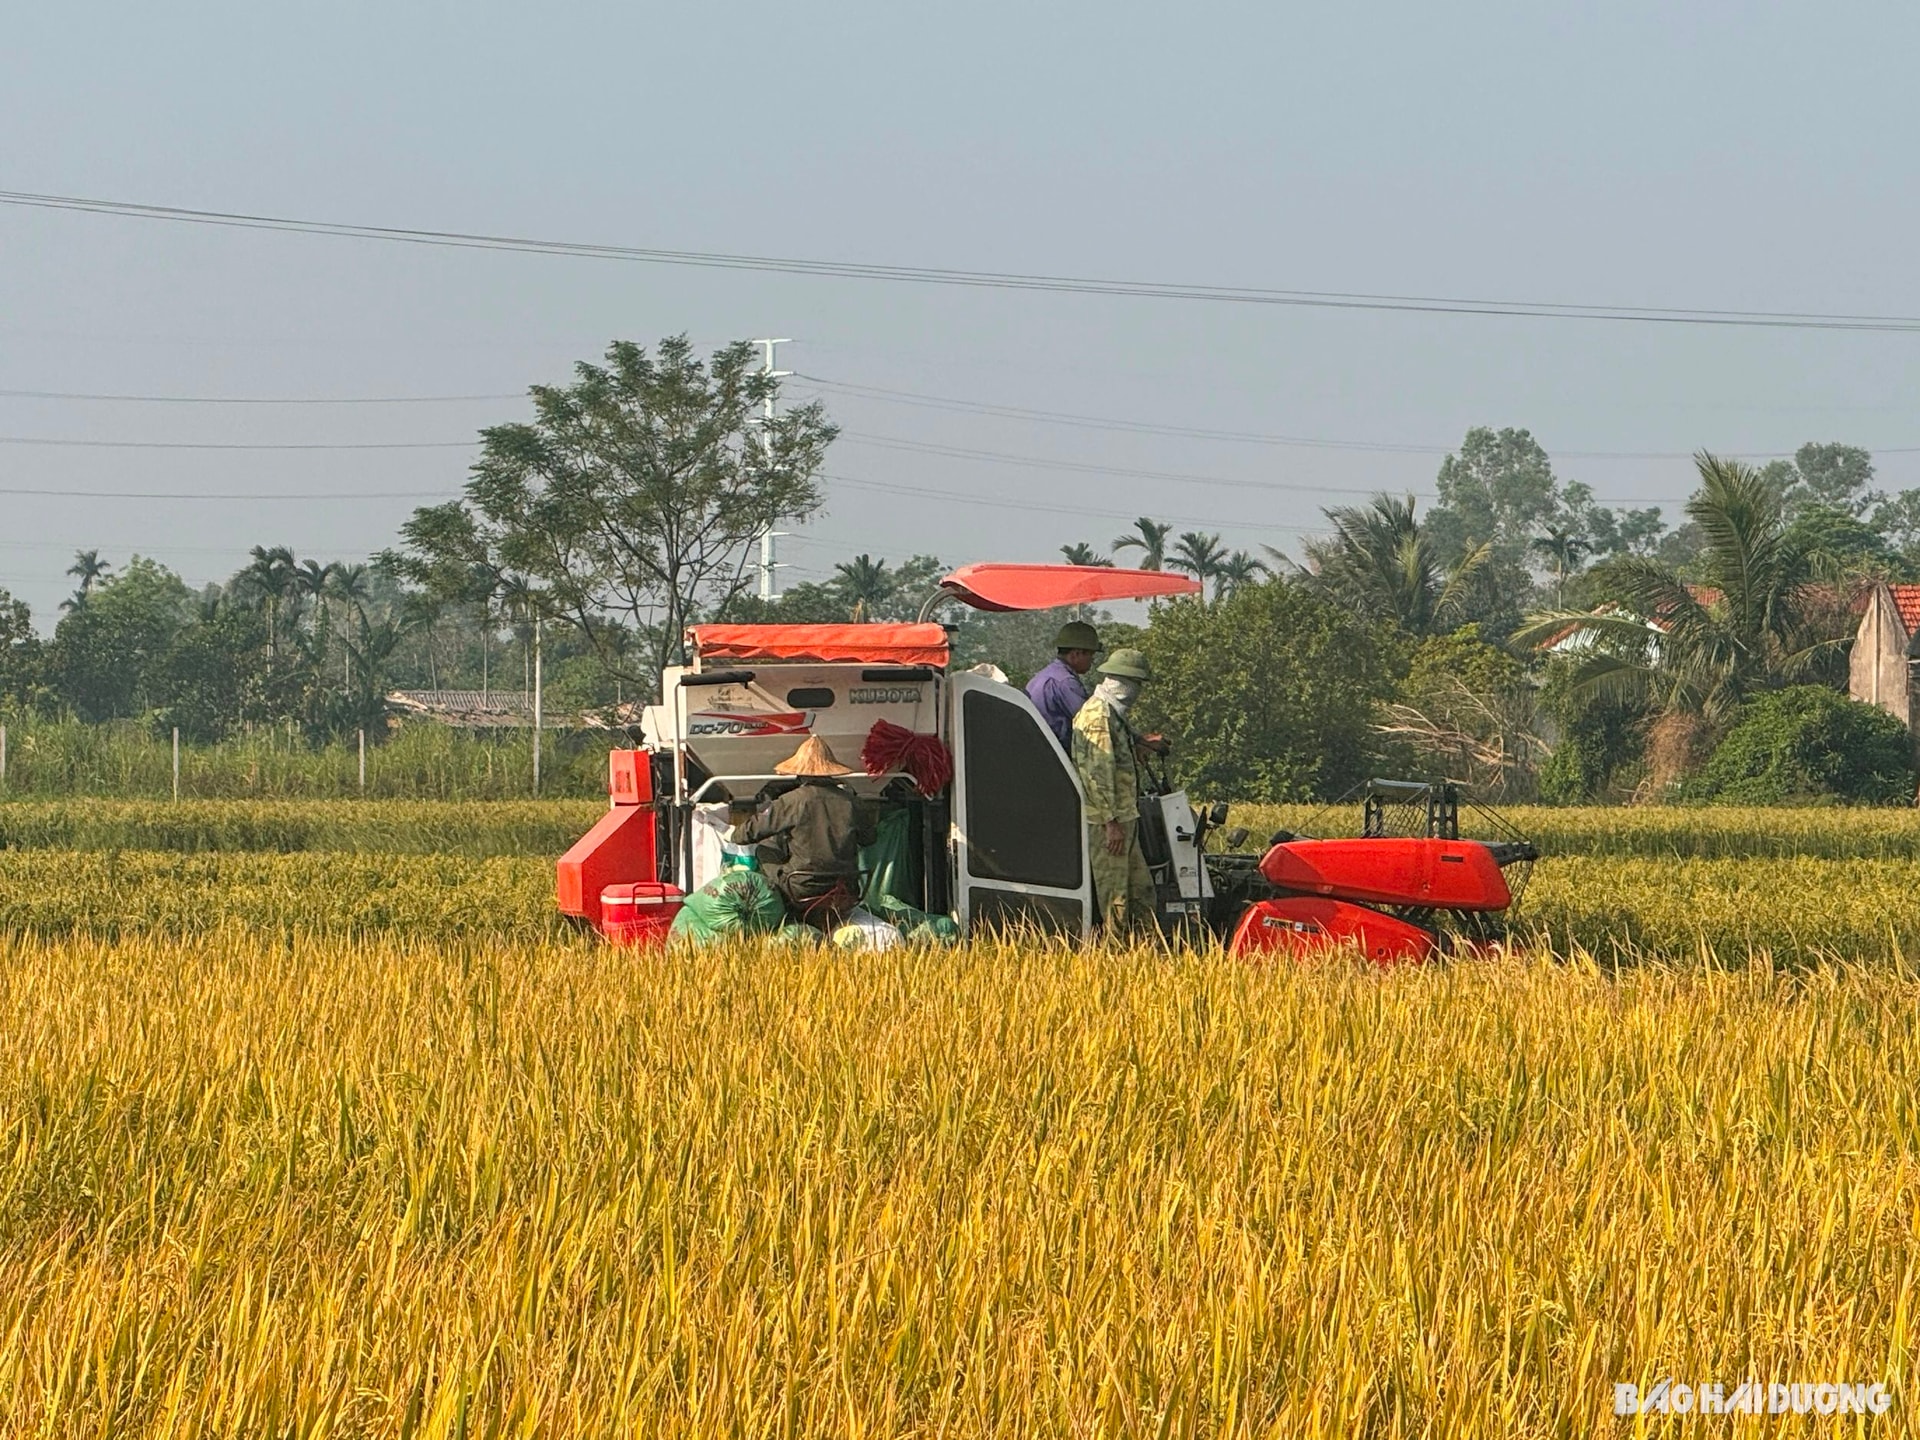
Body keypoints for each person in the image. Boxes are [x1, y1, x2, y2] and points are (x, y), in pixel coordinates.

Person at [733, 736, 877, 930]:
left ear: (800, 775)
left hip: (801, 888)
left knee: (764, 848)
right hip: (847, 888)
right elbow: (870, 839)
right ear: (830, 773)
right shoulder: (852, 802)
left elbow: (744, 836)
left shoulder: (789, 801)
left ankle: (777, 904)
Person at [1070, 648, 1159, 936]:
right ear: (1123, 682)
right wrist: (1111, 823)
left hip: (1123, 816)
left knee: (1140, 889)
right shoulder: (1097, 717)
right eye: (1136, 684)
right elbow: (1098, 773)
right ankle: (1115, 956)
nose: (1137, 692)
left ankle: (1146, 950)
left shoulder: (1113, 714)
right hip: (1109, 822)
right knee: (1116, 895)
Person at [1026, 620, 1101, 749]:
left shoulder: (1044, 675)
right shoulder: (1066, 682)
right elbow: (1093, 722)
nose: (1092, 661)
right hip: (1054, 755)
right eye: (1091, 655)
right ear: (1076, 654)